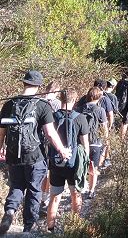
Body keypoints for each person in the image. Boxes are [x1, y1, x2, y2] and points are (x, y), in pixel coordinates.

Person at [0, 70, 71, 234]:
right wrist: (62, 151)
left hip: (13, 155)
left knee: (16, 186)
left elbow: (1, 132)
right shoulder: (42, 105)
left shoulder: (9, 104)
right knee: (34, 190)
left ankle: (9, 212)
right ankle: (28, 228)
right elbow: (50, 133)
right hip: (35, 156)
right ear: (39, 86)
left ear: (24, 83)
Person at [46, 88, 89, 233]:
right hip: (74, 164)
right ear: (74, 100)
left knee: (54, 197)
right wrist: (87, 163)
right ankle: (74, 227)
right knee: (75, 194)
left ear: (61, 98)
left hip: (56, 162)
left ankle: (50, 228)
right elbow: (85, 143)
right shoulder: (80, 118)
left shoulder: (52, 116)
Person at [78, 87, 108, 199]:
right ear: (99, 97)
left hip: (80, 142)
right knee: (93, 168)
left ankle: (79, 188)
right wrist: (106, 142)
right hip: (95, 142)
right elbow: (104, 128)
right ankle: (91, 190)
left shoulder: (79, 109)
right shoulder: (100, 110)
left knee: (81, 166)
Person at [40, 81, 62, 209]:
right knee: (51, 170)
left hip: (39, 139)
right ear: (56, 91)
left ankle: (42, 196)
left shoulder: (39, 101)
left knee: (43, 170)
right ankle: (47, 200)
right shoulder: (58, 104)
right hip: (52, 139)